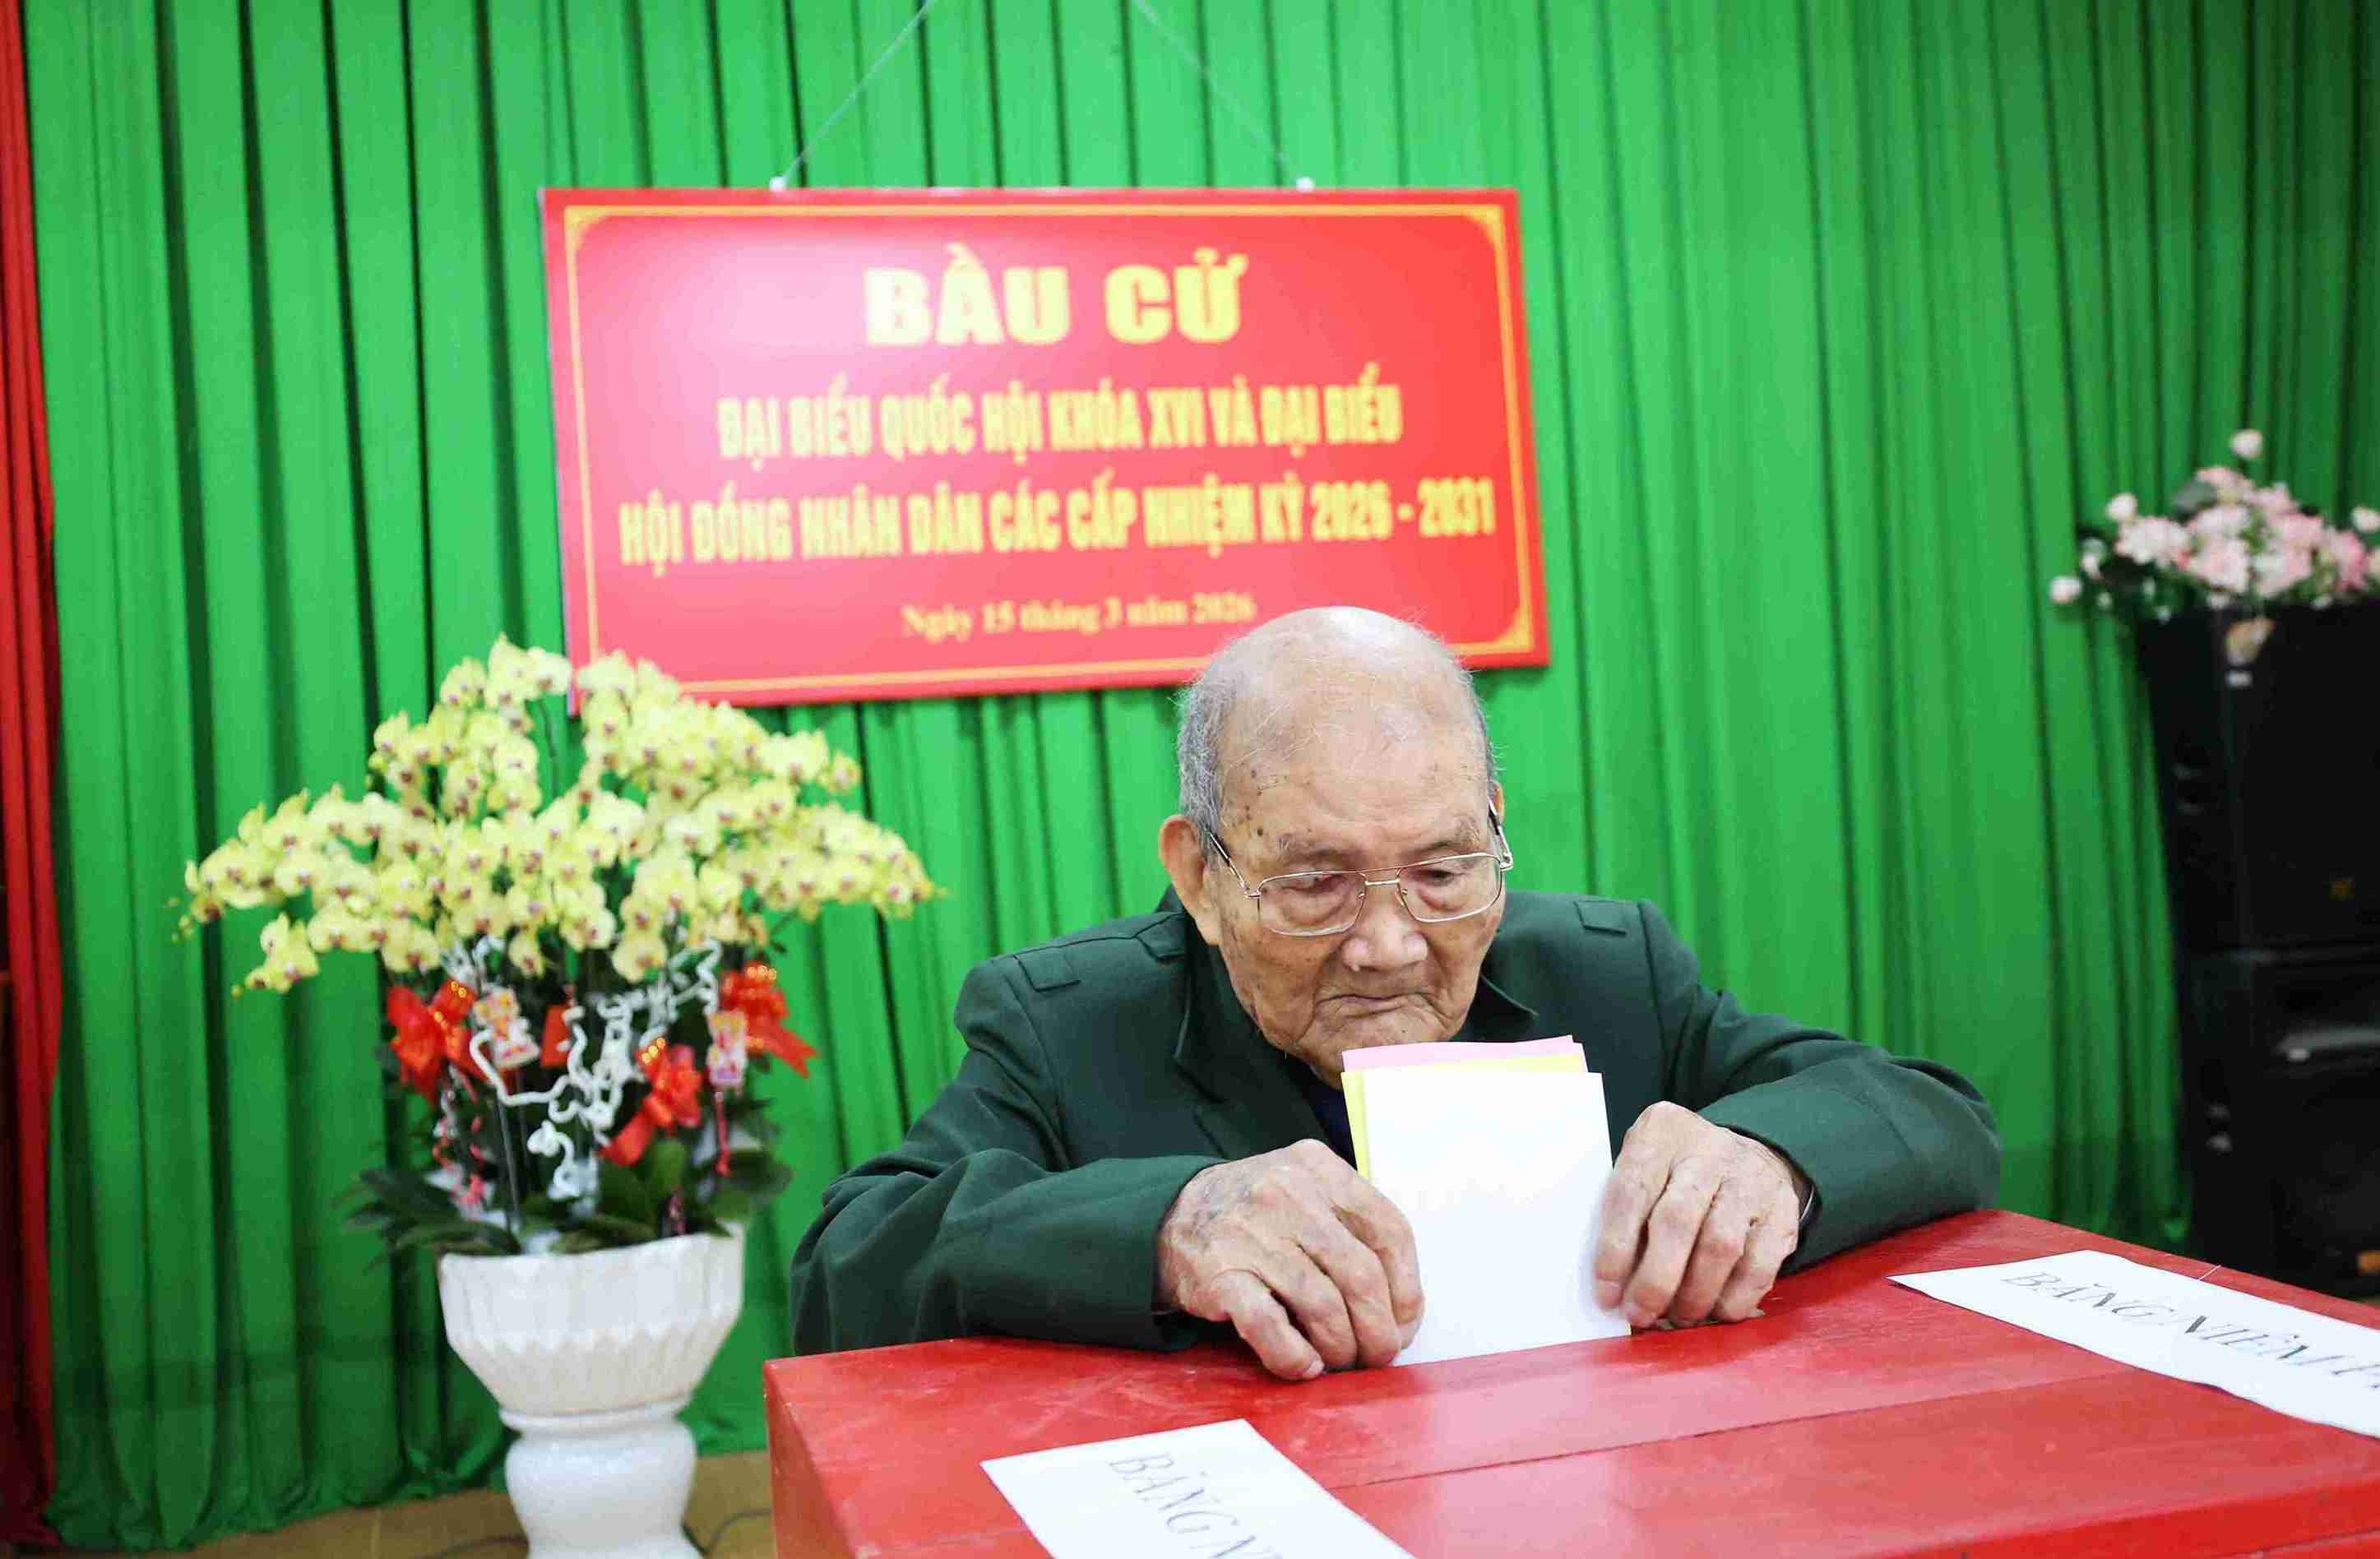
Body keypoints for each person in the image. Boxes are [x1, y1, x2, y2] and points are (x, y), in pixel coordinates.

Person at [790, 608, 1999, 1380]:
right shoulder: (1068, 1021)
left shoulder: (1602, 969)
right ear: (1199, 876)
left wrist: (1769, 1161)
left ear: (1493, 835)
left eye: (1441, 870)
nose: (1387, 944)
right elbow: (844, 1271)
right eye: (1314, 881)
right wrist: (1169, 1228)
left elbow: (1927, 1112)